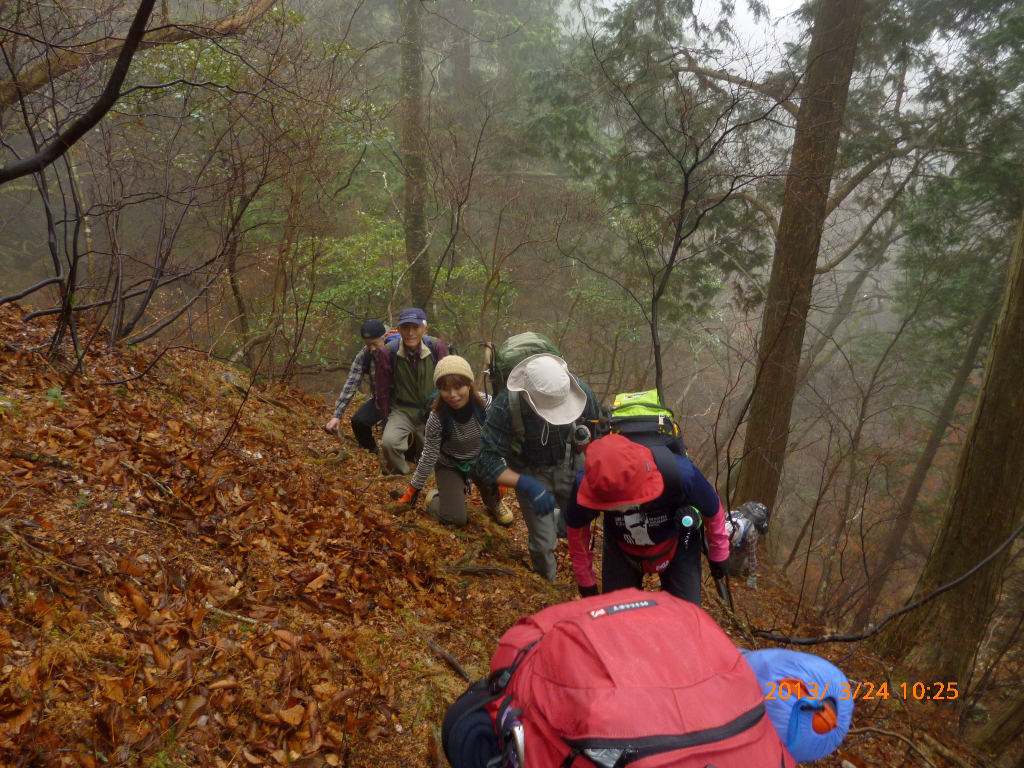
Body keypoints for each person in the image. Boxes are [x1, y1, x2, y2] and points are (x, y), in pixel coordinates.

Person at [564, 433, 730, 605]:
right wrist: (585, 578)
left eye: (624, 503)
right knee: (619, 619)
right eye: (611, 507)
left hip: (678, 543)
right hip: (621, 546)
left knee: (685, 615)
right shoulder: (588, 481)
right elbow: (577, 529)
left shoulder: (678, 473)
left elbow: (713, 509)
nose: (620, 511)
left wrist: (719, 553)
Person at [476, 354, 600, 580]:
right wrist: (527, 485)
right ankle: (546, 588)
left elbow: (598, 430)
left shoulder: (578, 390)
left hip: (572, 462)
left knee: (582, 519)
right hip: (530, 469)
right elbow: (486, 463)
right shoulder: (506, 404)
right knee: (543, 546)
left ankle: (551, 525)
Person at [394, 356, 514, 528]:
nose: (453, 395)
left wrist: (501, 469)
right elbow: (429, 455)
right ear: (439, 390)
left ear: (469, 384)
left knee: (498, 498)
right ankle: (434, 499)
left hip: (481, 460)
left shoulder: (486, 405)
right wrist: (414, 489)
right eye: (445, 389)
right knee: (455, 519)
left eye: (458, 387)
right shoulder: (437, 417)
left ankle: (493, 502)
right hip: (449, 464)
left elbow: (498, 440)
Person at [374, 308, 449, 475]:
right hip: (402, 410)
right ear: (398, 330)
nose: (410, 333)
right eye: (405, 327)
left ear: (424, 329)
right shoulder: (389, 352)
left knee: (433, 453)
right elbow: (383, 387)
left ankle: (428, 481)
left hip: (432, 410)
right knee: (389, 443)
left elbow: (448, 381)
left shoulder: (436, 347)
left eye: (415, 328)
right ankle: (402, 475)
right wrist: (385, 417)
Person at [324, 319, 390, 454]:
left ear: (384, 337)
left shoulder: (398, 350)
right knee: (359, 421)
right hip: (380, 400)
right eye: (367, 344)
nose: (372, 348)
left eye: (375, 344)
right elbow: (351, 383)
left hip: (403, 401)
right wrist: (337, 415)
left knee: (394, 438)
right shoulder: (364, 355)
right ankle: (371, 454)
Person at [726, 501, 771, 589]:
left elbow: (752, 556)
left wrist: (752, 577)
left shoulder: (751, 534)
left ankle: (745, 568)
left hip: (741, 545)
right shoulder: (728, 515)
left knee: (732, 571)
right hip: (735, 538)